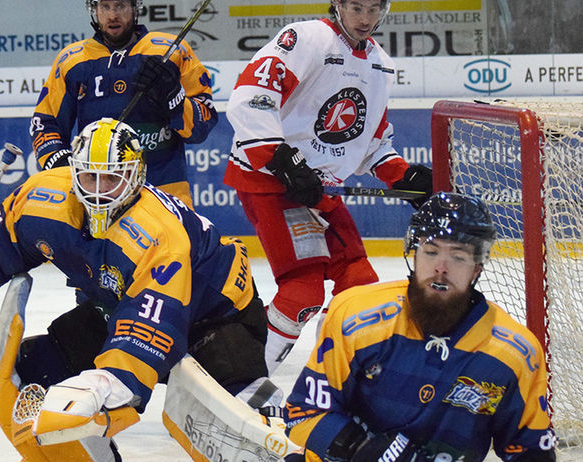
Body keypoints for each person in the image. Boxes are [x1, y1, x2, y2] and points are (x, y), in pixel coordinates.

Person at [0, 119, 276, 461]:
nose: (98, 190)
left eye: (112, 178)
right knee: (35, 372)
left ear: (136, 177)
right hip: (122, 305)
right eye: (89, 177)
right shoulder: (42, 197)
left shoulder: (158, 233)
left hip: (216, 315)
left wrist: (109, 381)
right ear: (73, 172)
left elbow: (154, 323)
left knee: (243, 427)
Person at [223, 0, 433, 374]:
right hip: (271, 181)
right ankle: (241, 378)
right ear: (338, 4)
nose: (365, 19)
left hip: (318, 191)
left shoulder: (379, 64)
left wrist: (401, 175)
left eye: (374, 8)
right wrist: (282, 158)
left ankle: (331, 372)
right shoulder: (308, 38)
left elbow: (370, 141)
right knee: (302, 291)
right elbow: (251, 95)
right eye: (356, 7)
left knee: (359, 284)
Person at [283, 192, 557, 461]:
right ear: (413, 255)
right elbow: (303, 413)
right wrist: (364, 449)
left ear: (477, 268)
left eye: (458, 257)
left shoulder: (514, 353)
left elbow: (531, 451)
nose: (441, 267)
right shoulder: (356, 318)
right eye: (431, 251)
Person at [30, 0, 217, 208]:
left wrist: (173, 96)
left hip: (165, 195)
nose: (112, 15)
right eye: (105, 7)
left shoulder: (170, 51)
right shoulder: (72, 61)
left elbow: (201, 126)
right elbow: (45, 123)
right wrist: (62, 165)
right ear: (94, 10)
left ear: (135, 9)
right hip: (98, 196)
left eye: (120, 6)